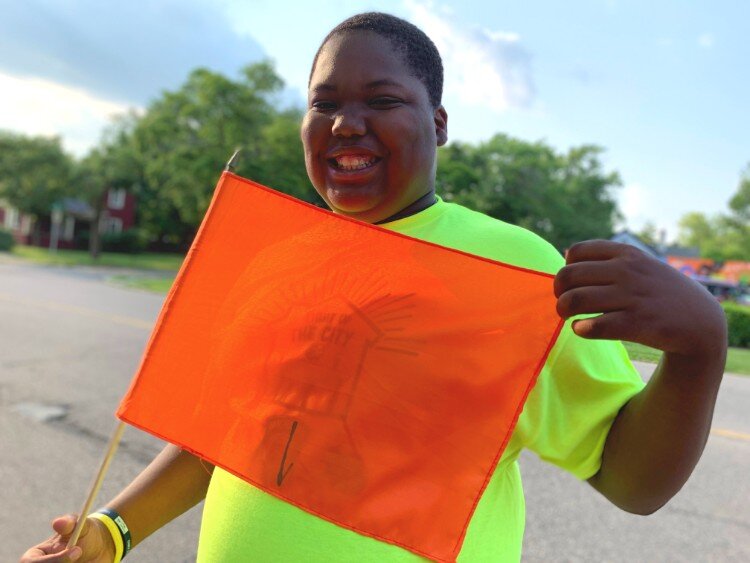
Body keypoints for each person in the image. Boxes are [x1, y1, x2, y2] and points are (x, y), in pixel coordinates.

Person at [21, 12, 727, 563]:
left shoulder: (518, 269)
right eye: (322, 102)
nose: (344, 123)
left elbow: (632, 481)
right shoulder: (276, 261)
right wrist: (112, 531)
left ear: (439, 123)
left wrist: (699, 350)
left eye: (381, 100)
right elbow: (235, 435)